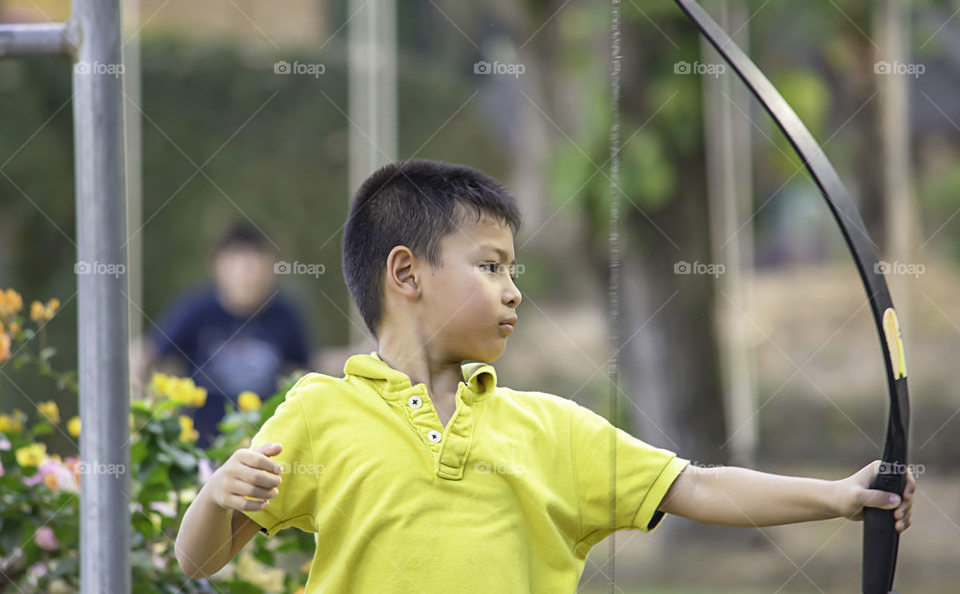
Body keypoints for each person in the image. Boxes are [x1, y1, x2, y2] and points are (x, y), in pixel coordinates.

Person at [174, 160, 915, 592]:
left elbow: (698, 485)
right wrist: (215, 495)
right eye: (490, 266)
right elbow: (198, 557)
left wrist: (842, 497)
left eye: (515, 271)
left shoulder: (553, 429)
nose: (512, 289)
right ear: (406, 272)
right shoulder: (317, 412)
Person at [140, 222, 312, 447]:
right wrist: (142, 417)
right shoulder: (196, 309)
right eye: (238, 265)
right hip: (202, 450)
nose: (246, 276)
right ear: (218, 266)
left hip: (264, 445)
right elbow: (148, 355)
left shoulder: (285, 314)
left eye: (254, 265)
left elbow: (308, 368)